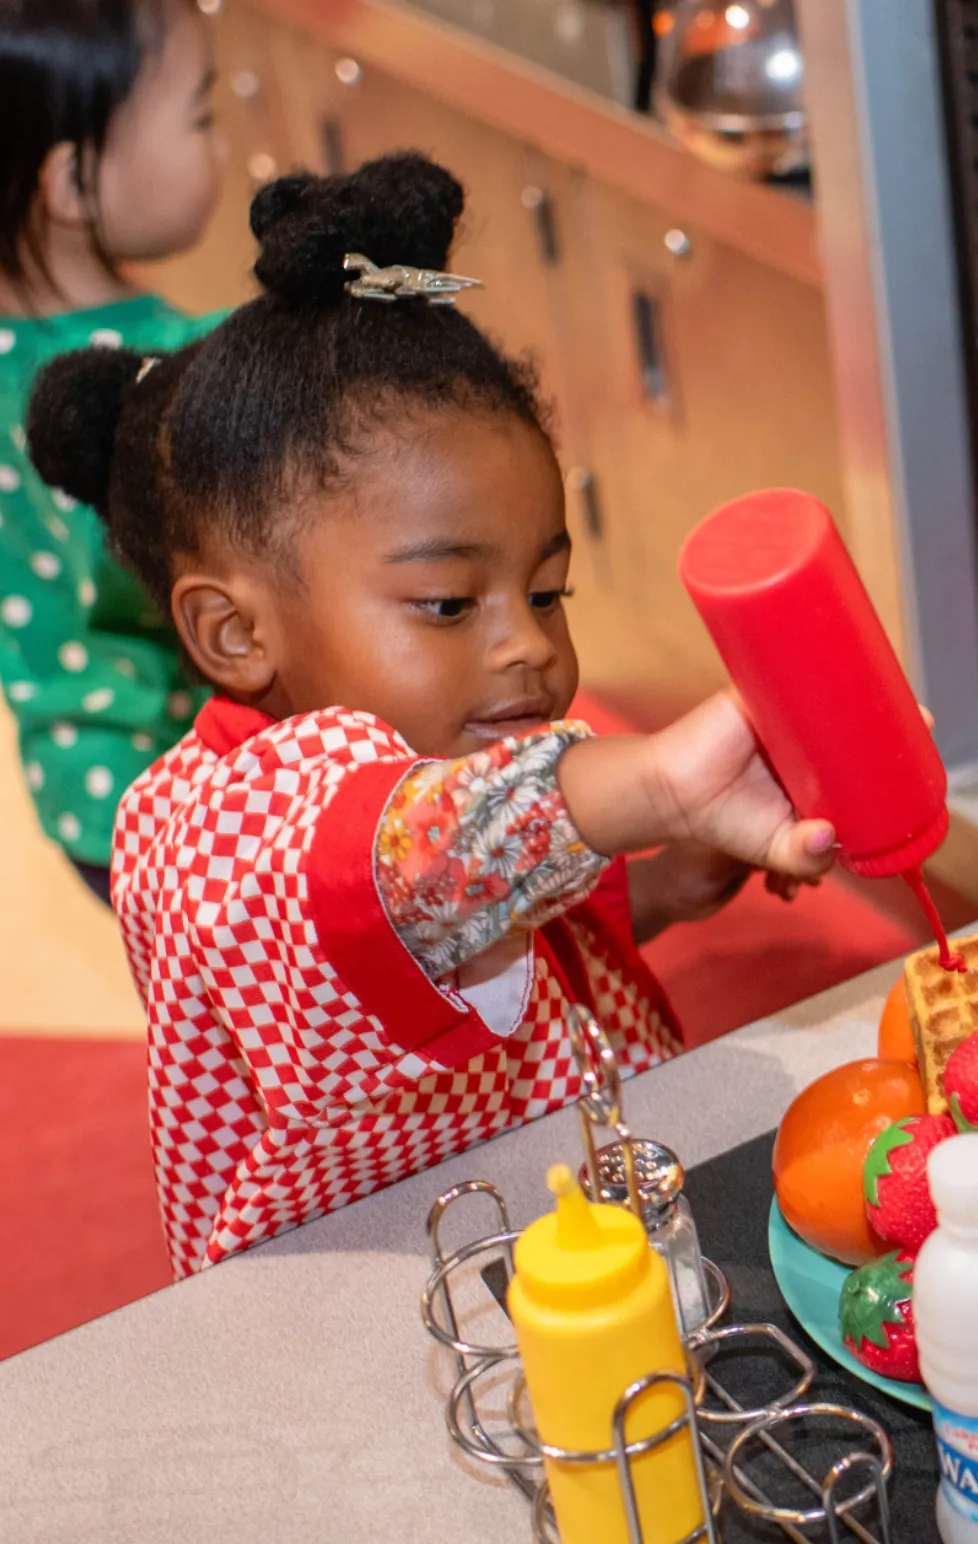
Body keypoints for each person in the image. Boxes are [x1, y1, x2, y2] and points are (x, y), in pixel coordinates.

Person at [26, 153, 837, 1277]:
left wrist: (648, 888)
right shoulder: (202, 832)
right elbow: (418, 863)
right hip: (377, 1325)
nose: (526, 644)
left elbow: (488, 921)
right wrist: (652, 783)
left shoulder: (460, 770)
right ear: (234, 634)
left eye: (548, 592)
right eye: (448, 602)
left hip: (558, 1249)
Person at [0, 0, 225, 904]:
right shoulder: (144, 375)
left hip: (78, 786)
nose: (219, 145)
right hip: (177, 788)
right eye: (201, 116)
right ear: (70, 183)